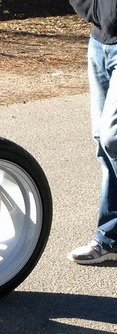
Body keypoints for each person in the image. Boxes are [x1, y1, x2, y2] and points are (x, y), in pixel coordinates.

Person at [68, 0, 117, 264]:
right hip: (98, 43)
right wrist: (96, 13)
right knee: (103, 142)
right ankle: (111, 237)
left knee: (113, 137)